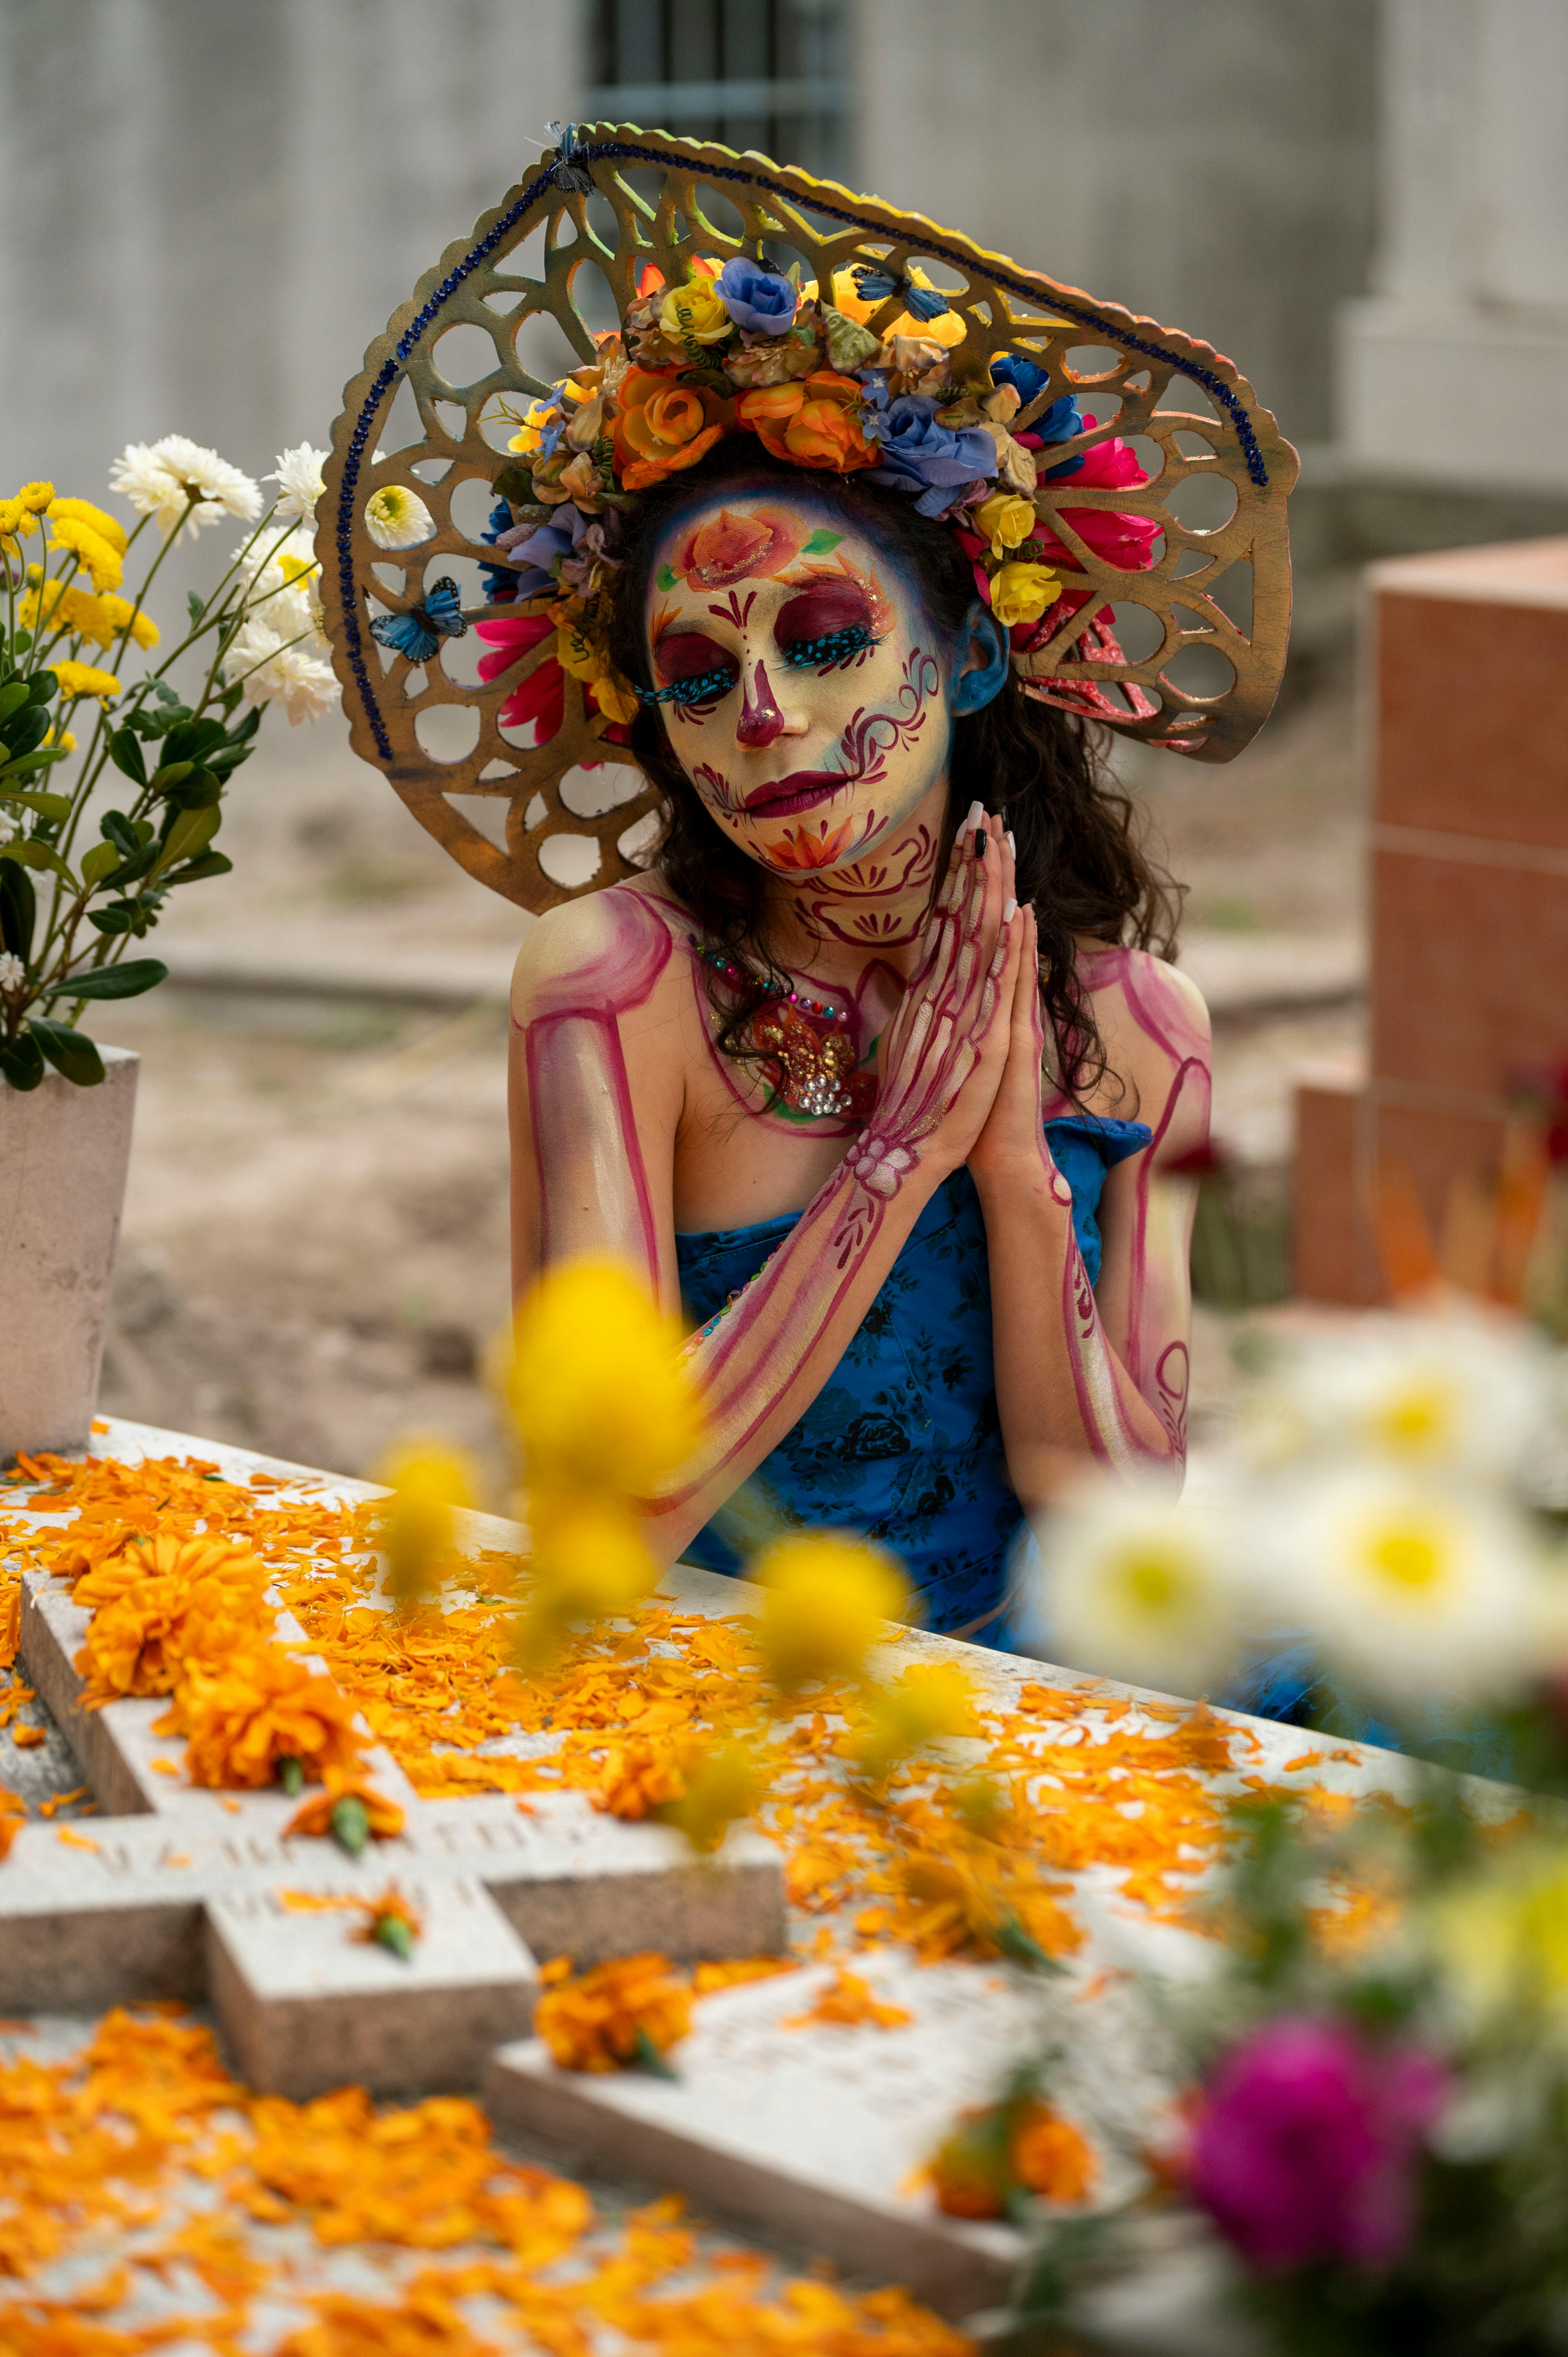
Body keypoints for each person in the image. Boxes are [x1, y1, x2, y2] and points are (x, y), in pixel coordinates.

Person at [332, 131, 1295, 1648]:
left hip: (1040, 1699)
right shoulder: (617, 990)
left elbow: (1107, 1501)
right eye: (699, 675)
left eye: (826, 636)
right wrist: (892, 1151)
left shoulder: (1141, 1026)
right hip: (718, 1693)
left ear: (969, 654)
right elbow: (603, 1518)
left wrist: (1013, 1163)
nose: (762, 714)